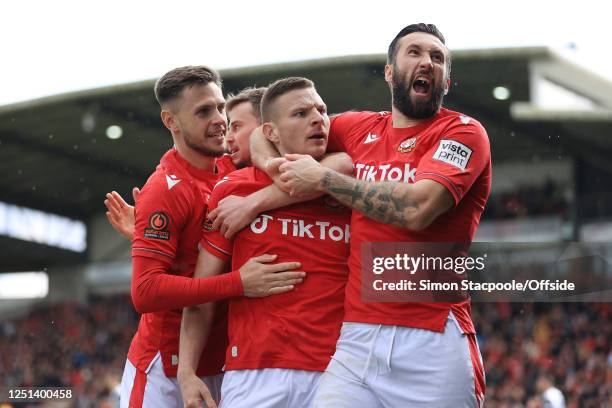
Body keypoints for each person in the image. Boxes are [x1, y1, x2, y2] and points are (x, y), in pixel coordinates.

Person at [238, 23, 490, 407]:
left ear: (447, 81)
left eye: (437, 58)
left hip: (433, 340)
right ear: (389, 72)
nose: (427, 62)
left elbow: (417, 208)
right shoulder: (358, 128)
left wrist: (324, 178)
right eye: (415, 53)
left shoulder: (462, 133)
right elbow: (266, 131)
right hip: (357, 340)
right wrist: (277, 173)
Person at [118, 66, 303, 408]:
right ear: (170, 121)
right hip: (167, 369)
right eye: (204, 111)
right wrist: (238, 283)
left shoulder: (232, 169)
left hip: (224, 362)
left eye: (220, 107)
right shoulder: (164, 190)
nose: (219, 119)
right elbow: (144, 292)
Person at [177, 77, 353, 408]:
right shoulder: (232, 190)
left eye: (322, 110)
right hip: (255, 375)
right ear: (270, 132)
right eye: (301, 114)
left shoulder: (346, 183)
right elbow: (202, 291)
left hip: (340, 373)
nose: (318, 118)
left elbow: (345, 163)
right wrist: (186, 373)